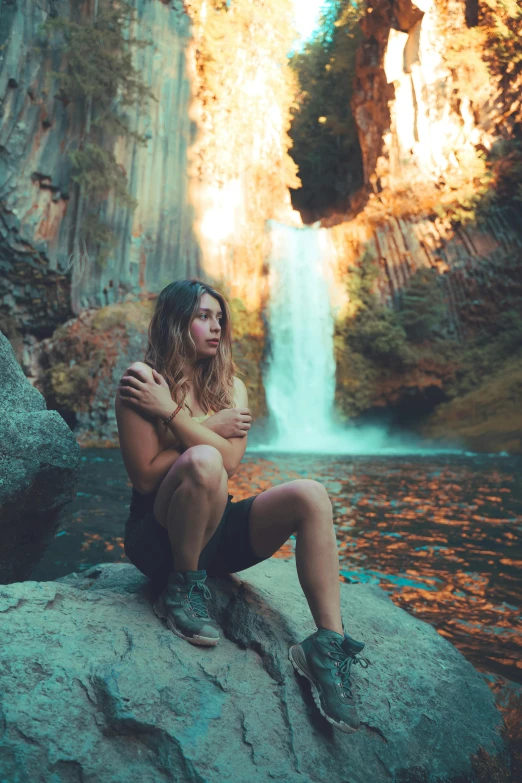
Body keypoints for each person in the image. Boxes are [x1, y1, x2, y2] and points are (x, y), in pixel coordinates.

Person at [115, 278, 368, 734]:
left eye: (219, 318)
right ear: (175, 323)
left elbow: (229, 463)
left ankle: (326, 646)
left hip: (215, 527)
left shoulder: (232, 387)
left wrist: (173, 418)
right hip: (158, 539)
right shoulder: (143, 382)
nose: (216, 328)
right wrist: (202, 426)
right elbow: (146, 476)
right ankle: (183, 590)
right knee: (203, 458)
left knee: (311, 494)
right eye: (202, 317)